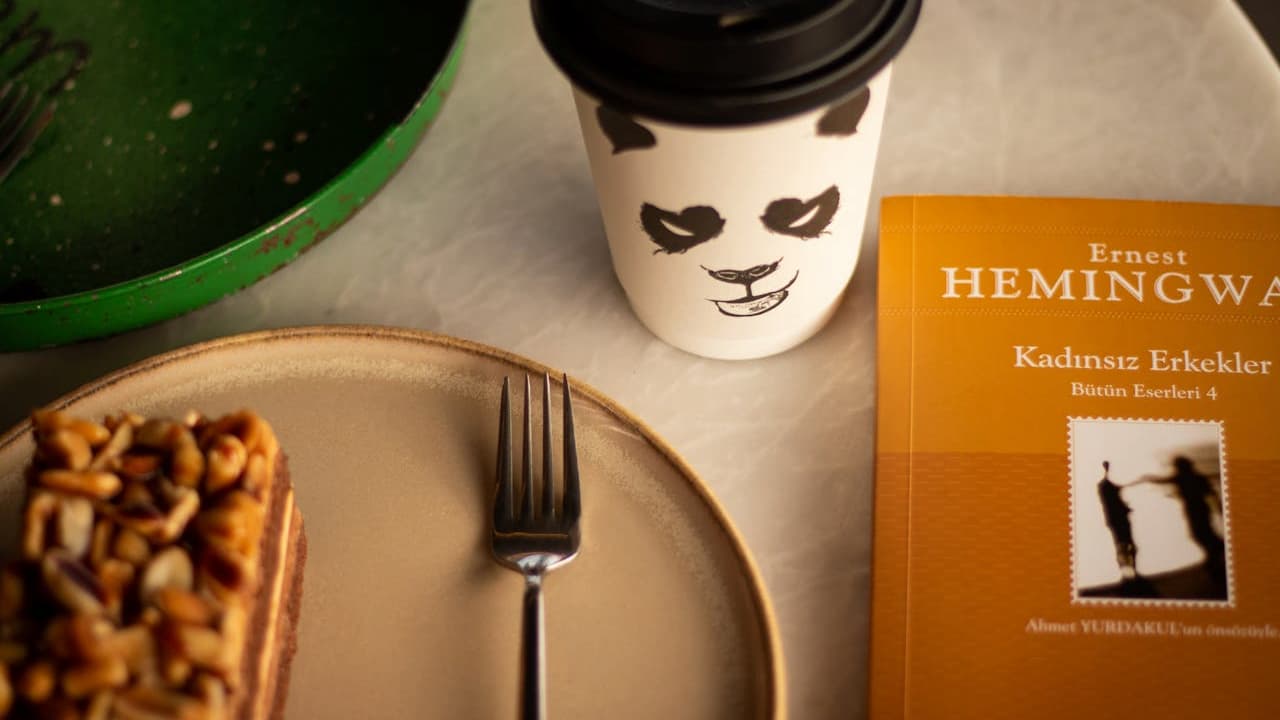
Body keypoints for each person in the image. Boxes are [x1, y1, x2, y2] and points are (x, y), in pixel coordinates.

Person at [1140, 456, 1226, 582]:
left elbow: (1163, 480)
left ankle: (1216, 556)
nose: (1175, 469)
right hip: (1201, 510)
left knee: (1199, 535)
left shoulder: (1182, 478)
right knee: (1203, 534)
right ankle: (1215, 557)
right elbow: (1212, 494)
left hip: (1194, 511)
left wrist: (1148, 478)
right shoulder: (1197, 477)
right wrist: (1219, 509)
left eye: (1176, 466)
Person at [1096, 461, 1138, 580]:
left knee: (1124, 545)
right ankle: (1129, 571)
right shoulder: (1105, 486)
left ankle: (1128, 572)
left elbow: (1112, 501)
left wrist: (1126, 508)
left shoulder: (1104, 486)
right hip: (1118, 519)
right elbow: (1113, 500)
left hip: (1115, 519)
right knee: (1126, 544)